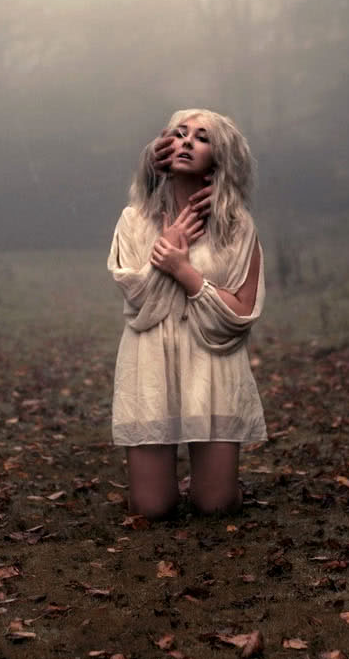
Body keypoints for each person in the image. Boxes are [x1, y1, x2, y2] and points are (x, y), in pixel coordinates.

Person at [106, 108, 266, 519]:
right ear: (164, 147)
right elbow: (138, 301)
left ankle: (215, 483)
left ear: (220, 157)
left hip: (212, 364)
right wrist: (168, 246)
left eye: (203, 137)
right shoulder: (134, 220)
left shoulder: (237, 227)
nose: (188, 141)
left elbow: (240, 314)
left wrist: (183, 270)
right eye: (180, 133)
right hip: (150, 363)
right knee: (152, 510)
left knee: (215, 506)